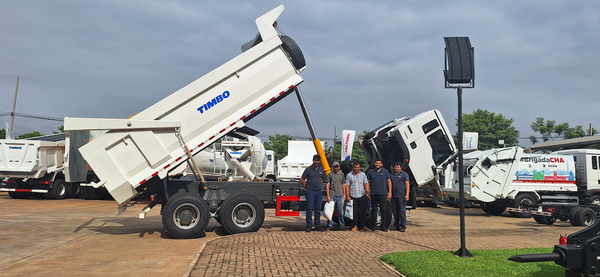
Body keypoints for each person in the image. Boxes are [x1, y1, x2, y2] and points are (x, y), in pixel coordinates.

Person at [300, 154, 325, 232]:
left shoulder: (321, 170)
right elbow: (302, 179)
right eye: (315, 160)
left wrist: (318, 183)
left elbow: (322, 179)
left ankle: (317, 226)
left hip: (318, 191)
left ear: (319, 161)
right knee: (309, 209)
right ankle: (309, 226)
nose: (316, 162)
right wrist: (306, 187)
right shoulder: (308, 169)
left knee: (318, 210)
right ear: (313, 160)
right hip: (310, 191)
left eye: (317, 160)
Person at [366, 159, 392, 232]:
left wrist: (389, 192)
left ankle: (383, 226)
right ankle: (373, 226)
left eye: (379, 163)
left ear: (381, 164)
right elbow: (367, 182)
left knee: (383, 210)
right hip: (373, 194)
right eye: (376, 163)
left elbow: (389, 182)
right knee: (374, 210)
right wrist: (367, 191)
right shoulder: (370, 172)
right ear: (375, 164)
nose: (377, 164)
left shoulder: (385, 172)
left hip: (383, 194)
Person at [345, 163, 369, 232]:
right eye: (355, 167)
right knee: (355, 212)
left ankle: (363, 226)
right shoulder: (349, 175)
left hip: (362, 195)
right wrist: (347, 195)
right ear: (353, 167)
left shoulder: (363, 174)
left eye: (358, 167)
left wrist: (367, 192)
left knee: (363, 211)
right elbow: (347, 186)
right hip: (353, 195)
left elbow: (366, 183)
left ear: (360, 167)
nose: (356, 169)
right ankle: (355, 225)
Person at [326, 161, 347, 231]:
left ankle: (342, 225)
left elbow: (343, 184)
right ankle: (329, 225)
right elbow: (327, 185)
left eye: (337, 166)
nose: (336, 168)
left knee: (341, 212)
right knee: (330, 211)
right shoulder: (329, 175)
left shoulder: (342, 174)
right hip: (332, 195)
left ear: (339, 167)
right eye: (335, 166)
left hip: (340, 195)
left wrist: (344, 194)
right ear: (333, 167)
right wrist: (328, 195)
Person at [390, 162, 410, 232]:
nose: (396, 168)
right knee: (395, 212)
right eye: (395, 167)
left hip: (402, 196)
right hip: (393, 196)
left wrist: (407, 194)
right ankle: (396, 225)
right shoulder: (391, 174)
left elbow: (407, 185)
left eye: (398, 167)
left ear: (400, 168)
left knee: (402, 211)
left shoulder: (404, 174)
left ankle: (403, 225)